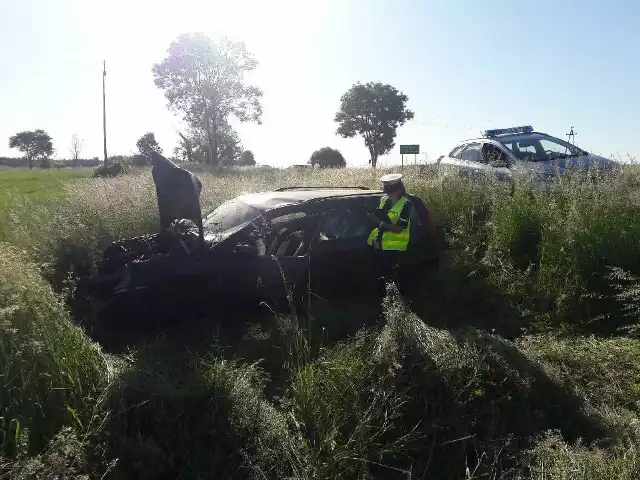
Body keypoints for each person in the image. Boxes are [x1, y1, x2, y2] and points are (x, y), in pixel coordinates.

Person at [366, 173, 412, 298]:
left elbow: (398, 228)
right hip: (380, 245)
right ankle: (383, 302)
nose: (387, 194)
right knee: (381, 279)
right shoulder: (383, 201)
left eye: (389, 191)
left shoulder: (406, 204)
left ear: (398, 190)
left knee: (393, 281)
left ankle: (395, 305)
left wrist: (378, 222)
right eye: (386, 191)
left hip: (396, 249)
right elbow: (380, 221)